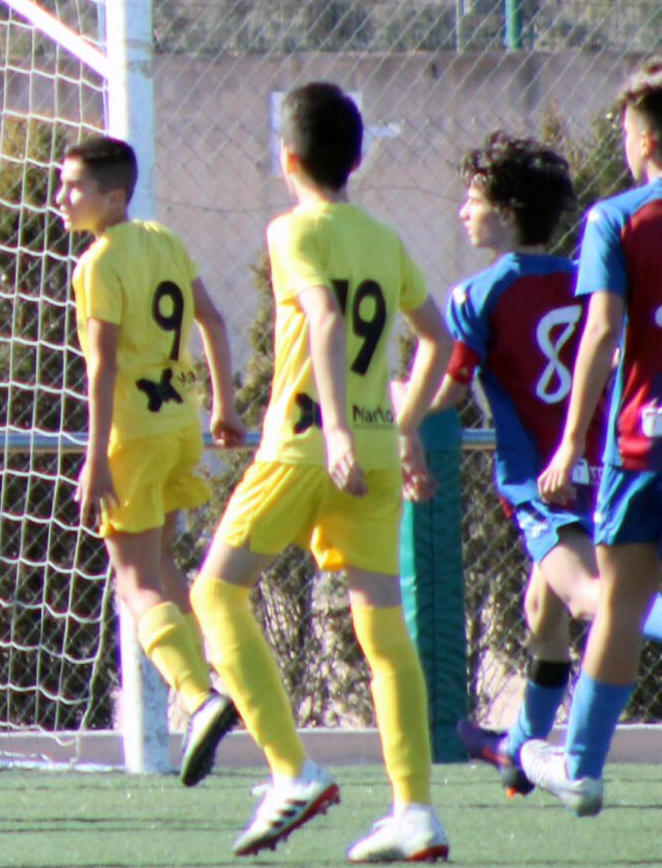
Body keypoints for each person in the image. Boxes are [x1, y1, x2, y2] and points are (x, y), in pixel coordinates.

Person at [188, 84, 450, 863]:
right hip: (373, 452)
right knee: (383, 631)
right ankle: (414, 810)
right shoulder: (382, 237)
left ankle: (292, 771)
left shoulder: (291, 228)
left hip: (306, 446)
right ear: (357, 158)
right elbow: (436, 339)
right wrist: (402, 427)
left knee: (215, 593)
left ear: (288, 158)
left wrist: (334, 426)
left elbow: (327, 317)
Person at [426, 133, 662, 790]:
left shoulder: (477, 294)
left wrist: (400, 404)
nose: (463, 212)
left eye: (472, 200)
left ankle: (529, 747)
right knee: (542, 610)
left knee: (594, 598)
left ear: (506, 212)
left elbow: (449, 390)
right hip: (601, 465)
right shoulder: (582, 276)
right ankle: (521, 747)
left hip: (540, 481)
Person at [57, 134, 247, 787]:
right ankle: (212, 681)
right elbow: (213, 320)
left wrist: (96, 458)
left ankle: (198, 698)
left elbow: (102, 365)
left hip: (133, 437)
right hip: (179, 425)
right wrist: (223, 406)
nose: (61, 197)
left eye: (75, 187)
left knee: (133, 581)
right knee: (164, 563)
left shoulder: (98, 263)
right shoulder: (164, 239)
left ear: (114, 197)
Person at [522, 67, 662, 816]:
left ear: (643, 138)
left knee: (622, 602)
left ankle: (580, 766)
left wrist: (570, 442)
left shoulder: (616, 218)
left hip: (643, 444)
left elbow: (603, 333)